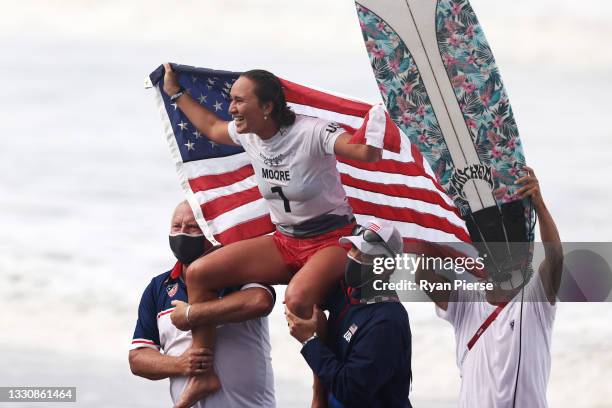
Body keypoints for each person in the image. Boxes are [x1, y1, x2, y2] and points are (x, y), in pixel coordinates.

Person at [162, 63, 384, 407]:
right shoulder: (247, 134)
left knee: (297, 301)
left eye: (239, 101)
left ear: (266, 107)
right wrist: (175, 92)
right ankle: (202, 373)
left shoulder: (312, 132)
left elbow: (363, 154)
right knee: (200, 273)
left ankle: (320, 393)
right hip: (285, 241)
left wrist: (376, 129)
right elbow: (209, 126)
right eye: (231, 100)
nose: (231, 108)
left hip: (332, 240)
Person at [416, 166, 563, 408]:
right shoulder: (467, 305)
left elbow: (555, 257)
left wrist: (539, 204)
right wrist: (434, 223)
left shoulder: (533, 302)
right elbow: (424, 277)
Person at [129, 201, 276, 408]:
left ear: (211, 232)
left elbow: (260, 301)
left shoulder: (239, 273)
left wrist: (191, 314)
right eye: (176, 227)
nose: (182, 233)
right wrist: (180, 364)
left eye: (192, 227)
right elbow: (138, 358)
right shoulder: (158, 287)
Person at [286, 219, 413, 408]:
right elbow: (305, 294)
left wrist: (310, 343)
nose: (354, 257)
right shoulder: (349, 292)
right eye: (353, 249)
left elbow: (351, 390)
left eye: (365, 256)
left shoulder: (387, 321)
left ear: (387, 267)